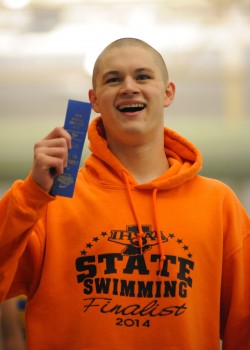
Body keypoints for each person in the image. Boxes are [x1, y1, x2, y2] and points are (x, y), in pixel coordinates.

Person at [0, 37, 249, 350]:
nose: (129, 86)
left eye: (143, 76)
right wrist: (30, 193)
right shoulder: (49, 200)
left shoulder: (218, 203)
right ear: (94, 100)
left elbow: (244, 325)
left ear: (168, 92)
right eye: (113, 79)